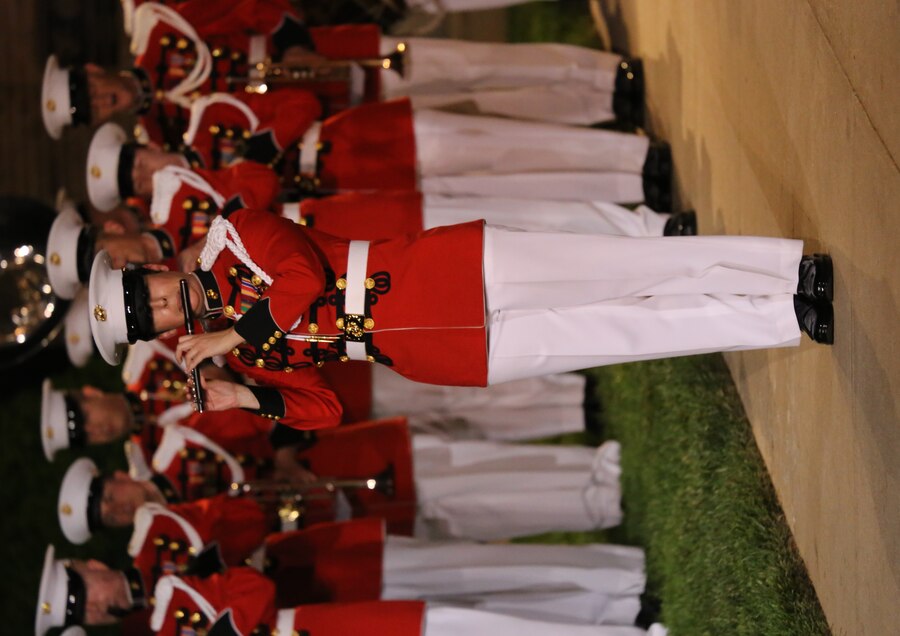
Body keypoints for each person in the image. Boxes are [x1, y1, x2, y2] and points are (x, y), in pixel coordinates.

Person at [88, 207, 833, 431]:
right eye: (150, 318)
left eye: (150, 293)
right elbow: (325, 405)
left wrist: (232, 337)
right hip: (439, 355)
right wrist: (243, 394)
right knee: (623, 335)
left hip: (445, 270)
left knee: (625, 270)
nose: (161, 306)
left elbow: (303, 276)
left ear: (157, 269)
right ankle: (783, 316)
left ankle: (780, 268)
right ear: (158, 336)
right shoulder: (235, 358)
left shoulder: (231, 235)